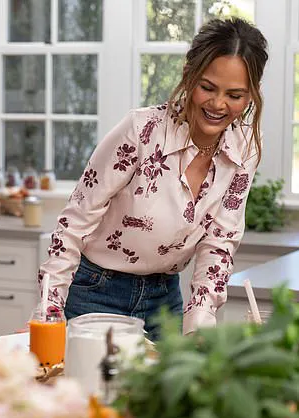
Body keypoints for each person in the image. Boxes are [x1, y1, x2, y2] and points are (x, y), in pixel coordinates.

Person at [38, 17, 269, 340]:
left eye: (235, 95)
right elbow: (74, 222)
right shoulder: (140, 131)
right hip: (96, 292)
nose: (218, 104)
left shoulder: (245, 148)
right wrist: (48, 313)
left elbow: (220, 241)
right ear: (188, 75)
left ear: (251, 95)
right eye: (207, 87)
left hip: (165, 299)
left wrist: (199, 326)